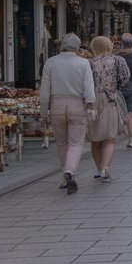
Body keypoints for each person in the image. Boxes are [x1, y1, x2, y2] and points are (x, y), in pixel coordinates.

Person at [40, 33, 96, 194]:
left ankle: (65, 175)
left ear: (61, 46)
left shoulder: (51, 62)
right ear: (78, 47)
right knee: (76, 142)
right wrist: (91, 105)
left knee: (61, 143)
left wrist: (44, 111)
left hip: (56, 105)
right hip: (77, 104)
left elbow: (44, 91)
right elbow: (89, 88)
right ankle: (70, 171)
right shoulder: (83, 63)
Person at [86, 35, 127, 183]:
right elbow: (125, 77)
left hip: (93, 100)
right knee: (110, 137)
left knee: (95, 138)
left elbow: (85, 82)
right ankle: (105, 169)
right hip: (110, 99)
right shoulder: (118, 60)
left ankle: (99, 169)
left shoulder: (89, 63)